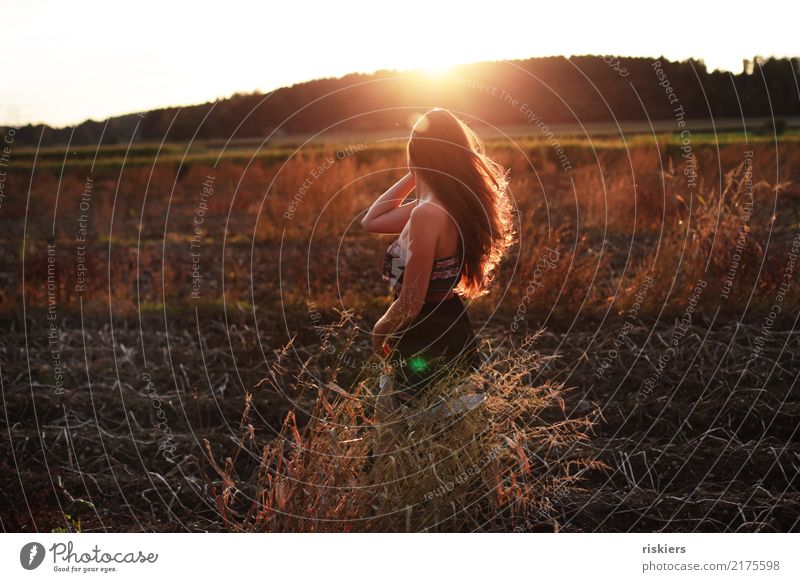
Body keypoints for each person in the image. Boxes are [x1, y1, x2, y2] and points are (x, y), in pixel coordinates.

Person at [360, 107, 515, 452]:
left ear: (419, 152)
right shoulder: (446, 204)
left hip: (425, 333)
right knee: (448, 441)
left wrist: (379, 330)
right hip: (451, 325)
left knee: (398, 438)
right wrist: (418, 172)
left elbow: (412, 301)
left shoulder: (428, 214)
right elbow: (372, 220)